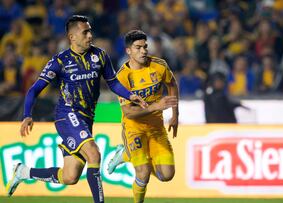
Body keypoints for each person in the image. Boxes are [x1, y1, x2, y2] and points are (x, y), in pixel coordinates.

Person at [5, 15, 146, 203]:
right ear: (72, 37)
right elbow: (34, 89)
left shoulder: (100, 56)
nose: (90, 35)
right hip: (67, 114)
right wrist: (27, 115)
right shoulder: (60, 61)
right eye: (85, 32)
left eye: (90, 31)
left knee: (70, 176)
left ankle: (24, 172)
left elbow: (113, 83)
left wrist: (130, 95)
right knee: (94, 153)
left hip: (86, 118)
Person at [107, 30, 179, 203]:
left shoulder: (159, 65)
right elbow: (128, 112)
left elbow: (172, 84)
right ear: (128, 51)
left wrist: (175, 115)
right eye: (138, 47)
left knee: (167, 175)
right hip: (134, 129)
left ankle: (126, 154)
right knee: (143, 172)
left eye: (145, 46)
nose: (144, 51)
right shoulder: (123, 77)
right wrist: (156, 106)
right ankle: (129, 153)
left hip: (156, 128)